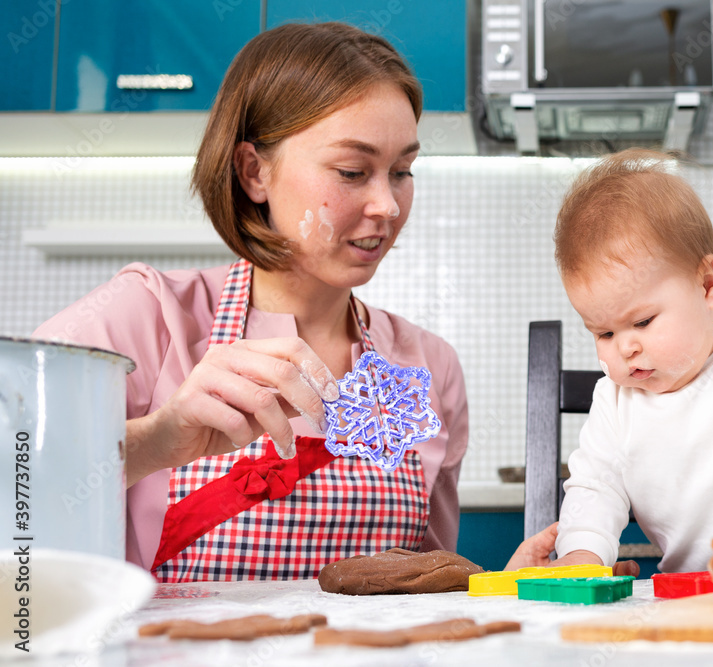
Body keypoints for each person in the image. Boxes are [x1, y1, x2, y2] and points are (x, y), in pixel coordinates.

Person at [32, 22, 468, 582]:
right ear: (254, 171)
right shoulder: (145, 319)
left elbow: (426, 586)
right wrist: (156, 440)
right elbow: (13, 471)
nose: (387, 204)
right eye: (353, 172)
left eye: (403, 171)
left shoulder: (430, 369)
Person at [507, 148, 713, 574]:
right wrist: (582, 556)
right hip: (689, 591)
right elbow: (596, 488)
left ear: (707, 285)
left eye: (643, 321)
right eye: (604, 333)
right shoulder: (614, 400)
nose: (625, 347)